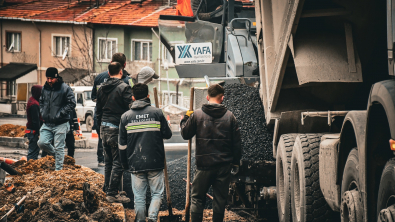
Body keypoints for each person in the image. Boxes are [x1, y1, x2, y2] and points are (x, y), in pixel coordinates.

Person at [180, 84, 241, 222]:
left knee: (197, 198)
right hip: (223, 166)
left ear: (207, 97)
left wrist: (185, 118)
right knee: (220, 200)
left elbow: (185, 134)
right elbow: (237, 143)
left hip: (203, 166)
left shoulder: (197, 115)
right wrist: (236, 163)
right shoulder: (230, 117)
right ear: (222, 98)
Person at [119, 83, 172, 222]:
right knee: (156, 194)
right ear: (148, 96)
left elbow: (122, 145)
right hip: (155, 162)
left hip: (135, 164)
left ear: (133, 97)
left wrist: (125, 164)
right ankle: (152, 219)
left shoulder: (125, 117)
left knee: (139, 197)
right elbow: (168, 134)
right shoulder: (157, 113)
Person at [96, 62, 133, 203]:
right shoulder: (124, 88)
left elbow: (98, 111)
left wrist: (99, 127)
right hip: (116, 128)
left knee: (108, 162)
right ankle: (112, 193)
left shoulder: (101, 88)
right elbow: (130, 110)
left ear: (108, 73)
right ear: (121, 72)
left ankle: (108, 188)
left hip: (104, 128)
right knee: (119, 162)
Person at [92, 53, 132, 167]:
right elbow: (131, 102)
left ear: (110, 63)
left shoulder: (99, 78)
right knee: (118, 161)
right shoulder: (127, 81)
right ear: (124, 65)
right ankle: (115, 183)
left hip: (103, 120)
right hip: (119, 122)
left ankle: (101, 160)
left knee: (106, 152)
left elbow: (94, 97)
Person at [38, 67, 76, 171]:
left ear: (56, 77)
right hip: (48, 122)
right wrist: (43, 112)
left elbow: (72, 103)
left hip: (61, 123)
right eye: (47, 78)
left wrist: (61, 114)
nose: (49, 81)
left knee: (59, 146)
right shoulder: (44, 88)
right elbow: (41, 101)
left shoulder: (65, 88)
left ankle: (58, 170)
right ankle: (56, 155)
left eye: (51, 78)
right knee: (42, 143)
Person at [26, 85, 43, 160]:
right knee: (33, 152)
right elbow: (35, 120)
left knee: (34, 151)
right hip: (34, 131)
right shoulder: (34, 104)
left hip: (32, 130)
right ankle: (29, 168)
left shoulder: (32, 100)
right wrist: (38, 132)